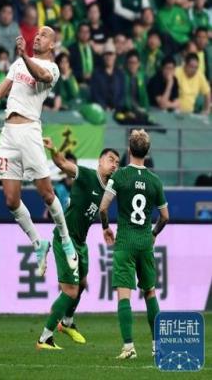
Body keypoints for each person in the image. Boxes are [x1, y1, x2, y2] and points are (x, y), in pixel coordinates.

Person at [0, 27, 79, 276]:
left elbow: (40, 75)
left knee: (47, 194)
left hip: (30, 131)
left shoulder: (52, 68)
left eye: (44, 35)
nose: (38, 36)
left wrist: (24, 56)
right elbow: (1, 90)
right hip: (8, 134)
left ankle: (65, 239)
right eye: (37, 34)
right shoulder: (18, 64)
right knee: (10, 200)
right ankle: (39, 244)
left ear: (52, 44)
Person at [37, 138, 120, 349]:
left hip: (80, 243)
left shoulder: (109, 188)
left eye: (117, 162)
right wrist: (54, 149)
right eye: (111, 159)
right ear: (100, 161)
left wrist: (105, 227)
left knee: (82, 284)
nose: (114, 165)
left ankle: (66, 322)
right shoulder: (87, 175)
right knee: (70, 291)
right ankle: (45, 338)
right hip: (66, 239)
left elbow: (102, 209)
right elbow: (63, 163)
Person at [100, 129, 169, 359]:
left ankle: (129, 347)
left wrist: (106, 227)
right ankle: (157, 346)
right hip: (144, 242)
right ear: (147, 152)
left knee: (124, 295)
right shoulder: (155, 181)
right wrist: (153, 233)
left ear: (129, 149)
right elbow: (165, 216)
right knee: (150, 292)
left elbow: (103, 207)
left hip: (125, 242)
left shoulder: (120, 176)